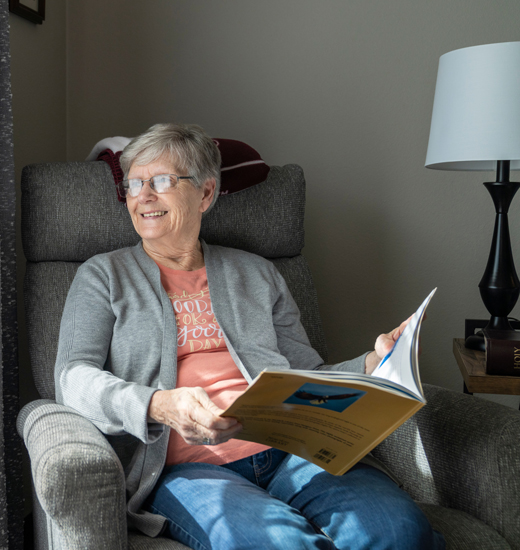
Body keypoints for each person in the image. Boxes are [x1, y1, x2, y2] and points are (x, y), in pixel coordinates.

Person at [54, 123, 445, 549]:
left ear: (204, 194)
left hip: (293, 450)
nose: (144, 195)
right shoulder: (103, 276)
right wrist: (159, 404)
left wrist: (373, 365)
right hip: (191, 469)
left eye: (162, 180)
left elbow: (308, 374)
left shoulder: (257, 272)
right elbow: (72, 377)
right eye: (134, 183)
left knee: (398, 532)